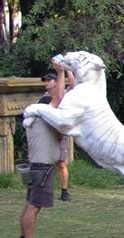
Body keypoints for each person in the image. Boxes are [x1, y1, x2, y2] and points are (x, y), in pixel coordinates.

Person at [17, 60, 68, 238]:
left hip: (37, 166)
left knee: (30, 203)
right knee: (35, 205)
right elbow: (59, 99)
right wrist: (60, 73)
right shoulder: (44, 117)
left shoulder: (38, 122)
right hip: (42, 168)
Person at [41, 69, 75, 201]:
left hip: (60, 134)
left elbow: (73, 85)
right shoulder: (44, 97)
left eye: (49, 80)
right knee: (45, 163)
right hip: (47, 135)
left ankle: (64, 191)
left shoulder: (64, 94)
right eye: (45, 81)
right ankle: (44, 190)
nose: (46, 83)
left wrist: (67, 69)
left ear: (56, 82)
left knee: (61, 164)